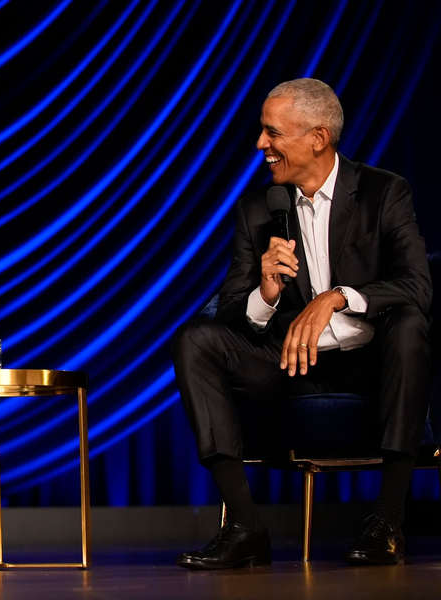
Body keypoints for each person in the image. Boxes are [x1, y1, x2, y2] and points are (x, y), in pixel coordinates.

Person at [171, 78, 432, 569]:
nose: (260, 145)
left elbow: (416, 285)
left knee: (411, 326)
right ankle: (244, 525)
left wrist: (335, 298)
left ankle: (388, 520)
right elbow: (231, 312)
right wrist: (265, 294)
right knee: (195, 341)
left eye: (272, 133)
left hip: (369, 359)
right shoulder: (258, 210)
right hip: (287, 361)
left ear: (317, 138)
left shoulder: (383, 192)